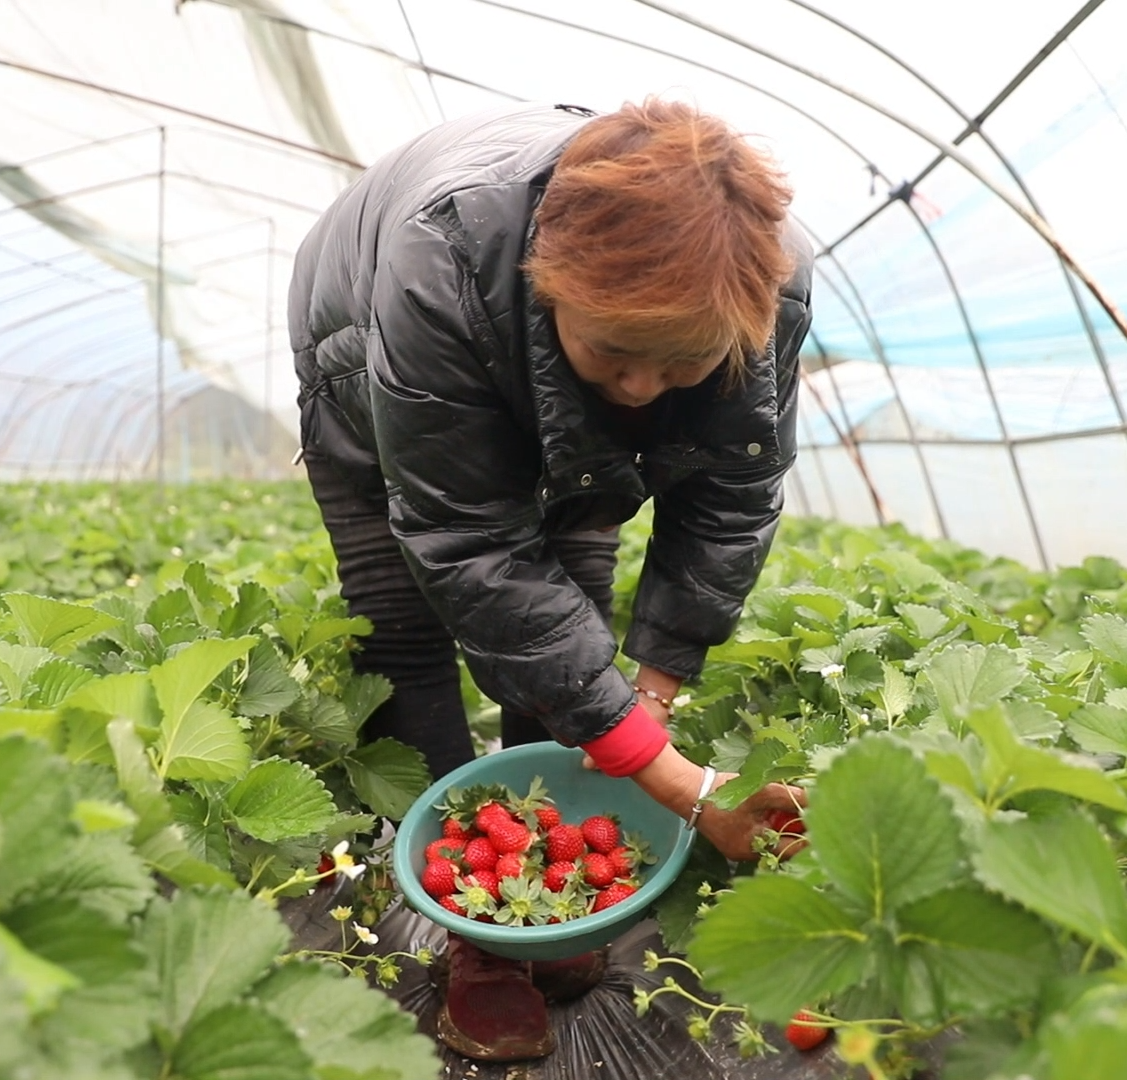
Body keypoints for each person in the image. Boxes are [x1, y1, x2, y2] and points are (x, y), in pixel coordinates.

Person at [288, 98, 810, 1060]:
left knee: (573, 581)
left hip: (525, 347)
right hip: (362, 360)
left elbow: (731, 493)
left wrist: (646, 706)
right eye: (616, 351)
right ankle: (473, 926)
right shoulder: (438, 260)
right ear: (547, 282)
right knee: (401, 617)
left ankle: (542, 875)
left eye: (681, 362)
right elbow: (471, 544)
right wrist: (683, 786)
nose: (646, 390)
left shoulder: (763, 280)